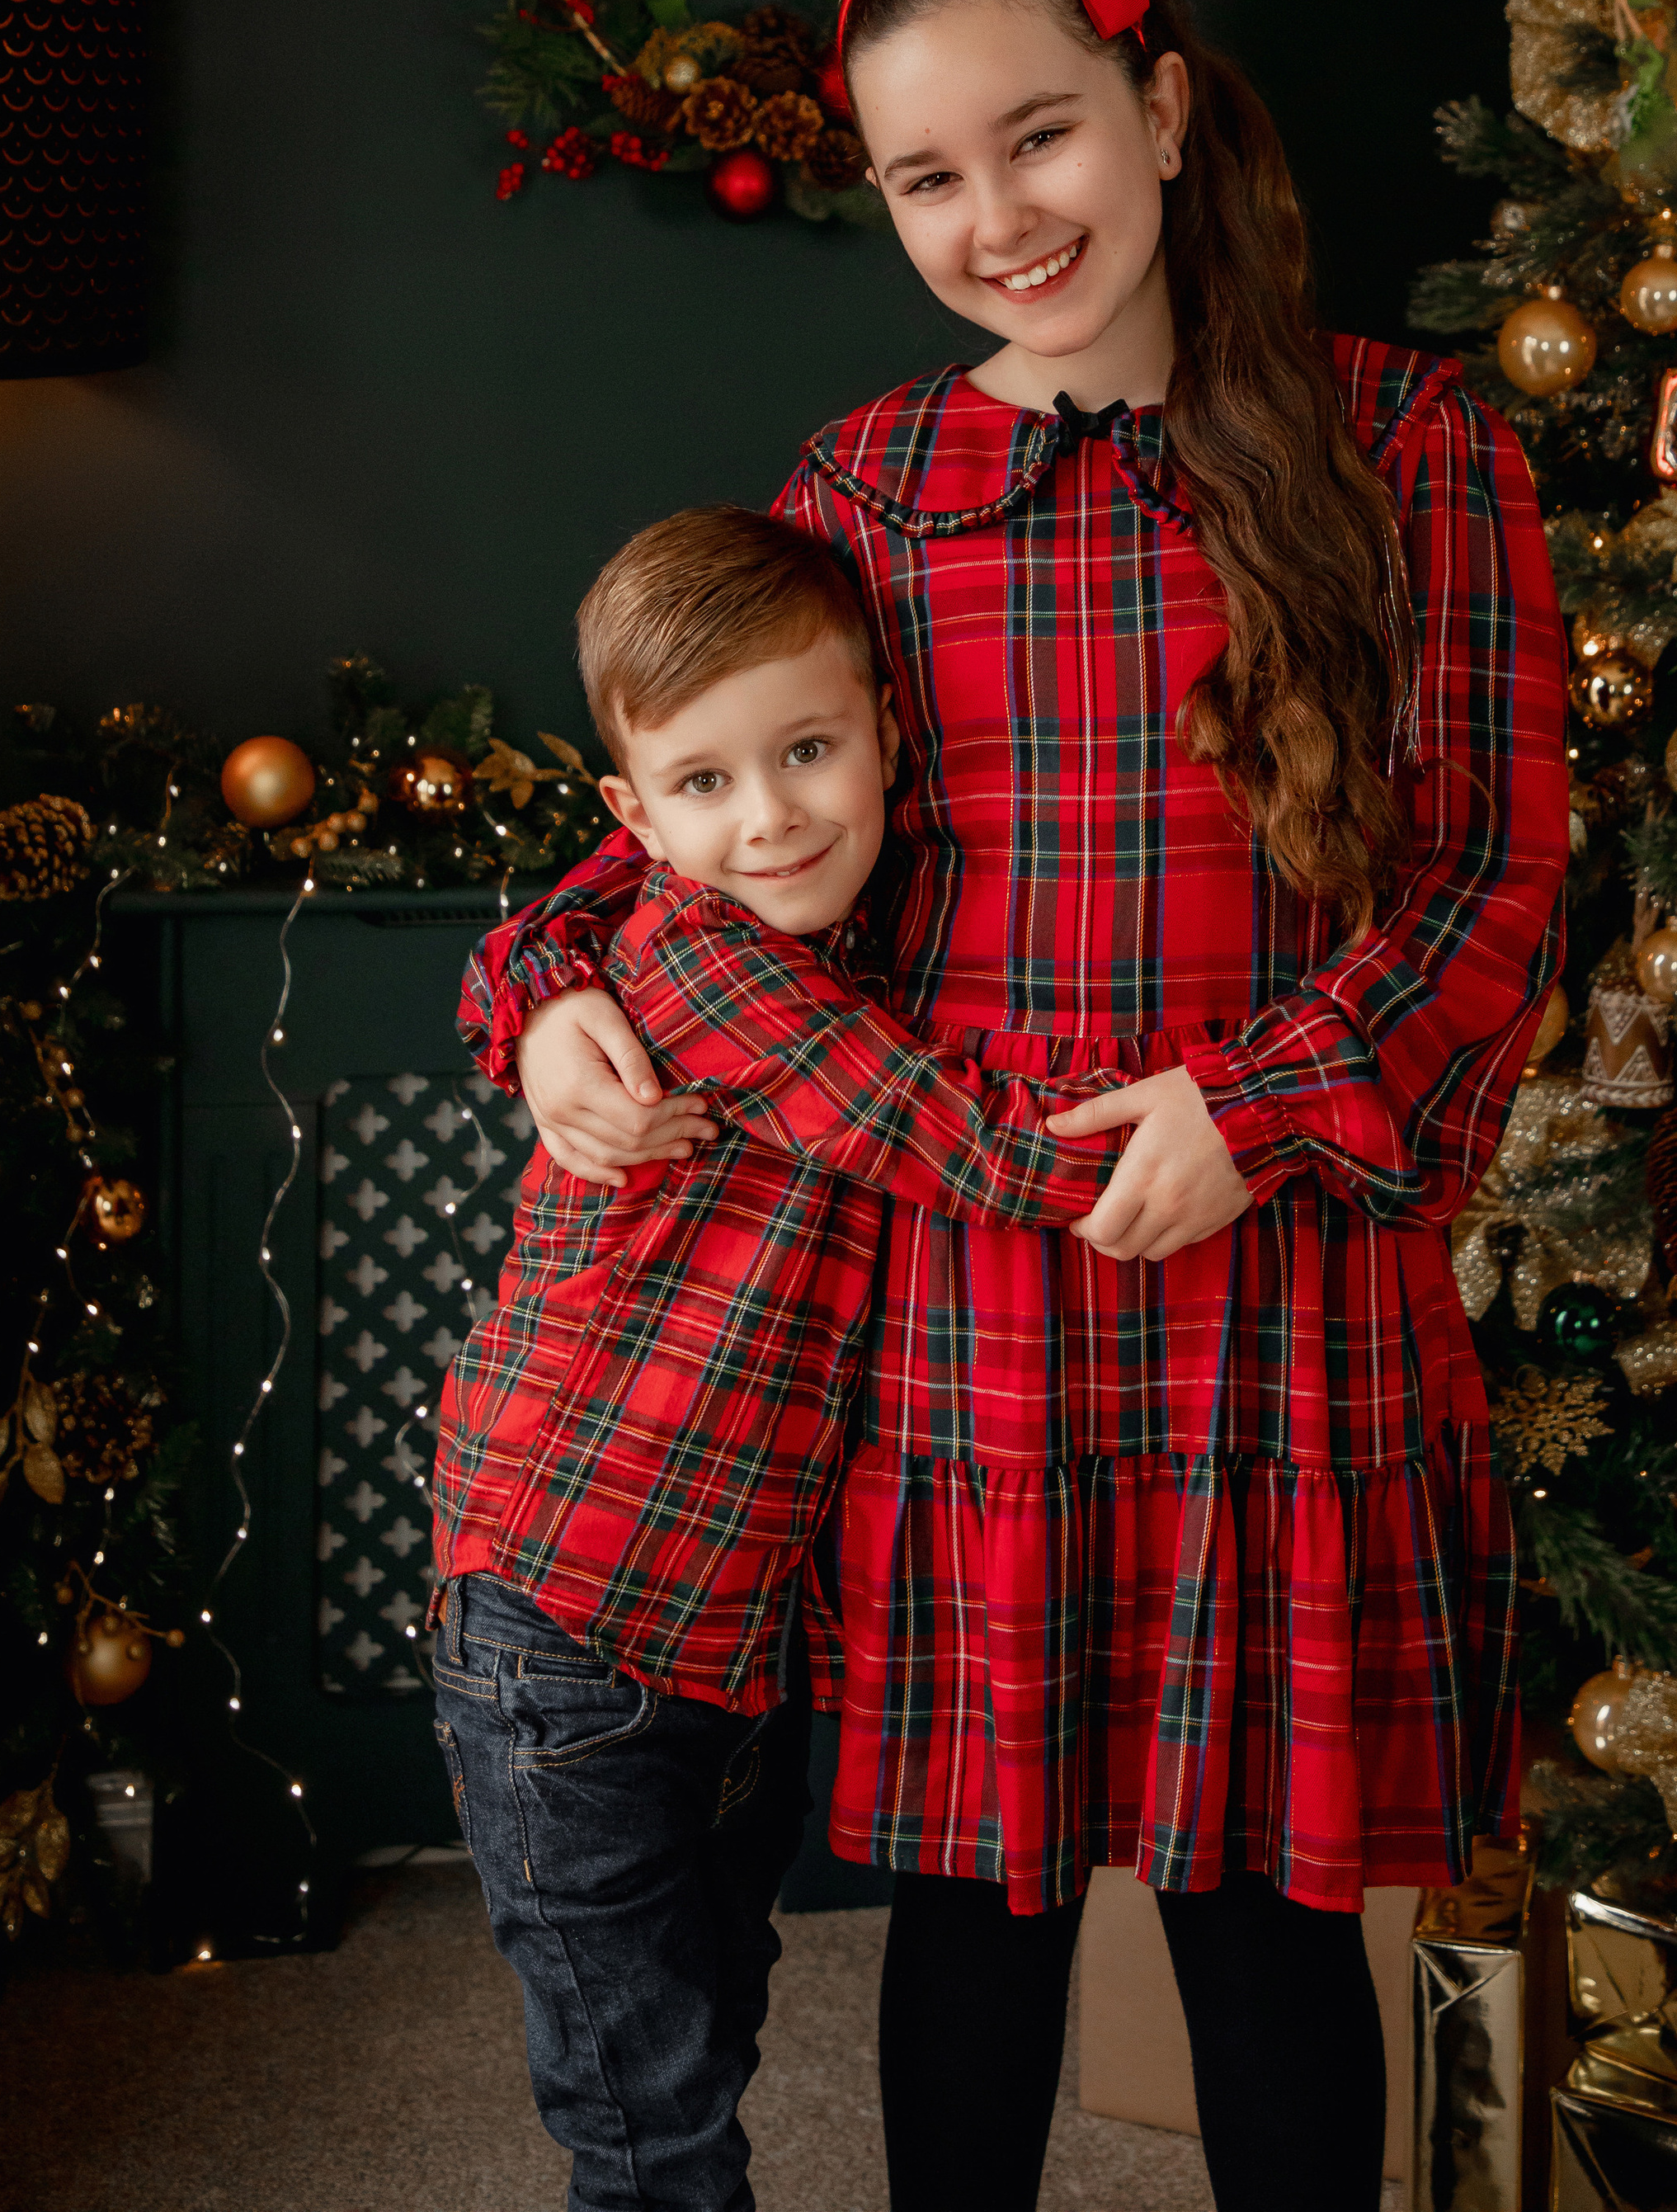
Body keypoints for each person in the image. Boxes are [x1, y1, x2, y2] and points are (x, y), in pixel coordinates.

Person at [463, 0, 1570, 2212]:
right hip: (969, 1306)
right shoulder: (877, 485)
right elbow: (685, 820)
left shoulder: (1411, 449)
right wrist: (549, 992)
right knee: (971, 1913)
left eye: (1040, 138)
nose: (999, 217)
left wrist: (1259, 1110)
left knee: (1270, 1924)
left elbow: (1491, 880)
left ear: (1161, 112)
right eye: (927, 178)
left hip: (1273, 1296)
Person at [430, 500, 1255, 2212]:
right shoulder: (706, 959)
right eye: (708, 785)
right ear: (634, 818)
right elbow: (957, 1140)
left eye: (807, 750)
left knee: (708, 2036)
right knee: (648, 2123)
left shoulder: (843, 926)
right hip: (564, 1626)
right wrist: (1236, 1117)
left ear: (887, 723)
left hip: (721, 1637)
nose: (773, 816)